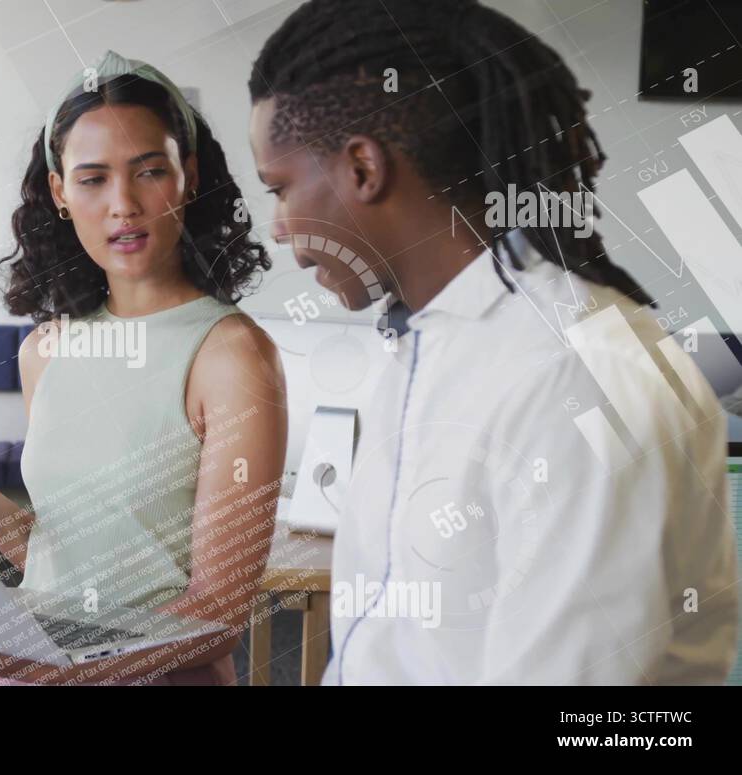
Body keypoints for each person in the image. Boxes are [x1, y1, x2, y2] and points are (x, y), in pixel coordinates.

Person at [247, 0, 737, 683]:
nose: (277, 226)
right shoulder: (431, 344)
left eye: (279, 188)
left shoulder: (573, 373)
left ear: (362, 167)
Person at [0, 51, 288, 685]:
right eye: (93, 179)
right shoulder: (46, 348)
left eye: (149, 171)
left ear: (189, 176)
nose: (123, 204)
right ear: (61, 193)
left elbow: (218, 614)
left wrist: (54, 672)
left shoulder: (231, 354)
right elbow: (71, 560)